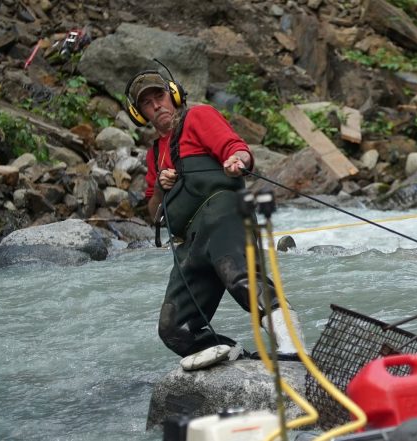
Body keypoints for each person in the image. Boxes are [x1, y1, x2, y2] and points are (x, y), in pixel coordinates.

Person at [127, 69, 304, 370]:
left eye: (159, 96)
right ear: (139, 113)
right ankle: (233, 355)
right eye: (147, 103)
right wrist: (159, 187)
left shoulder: (199, 117)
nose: (156, 105)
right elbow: (154, 214)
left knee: (241, 278)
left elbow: (236, 148)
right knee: (174, 328)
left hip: (223, 214)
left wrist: (238, 161)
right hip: (188, 243)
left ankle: (292, 346)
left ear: (174, 95)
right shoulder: (154, 154)